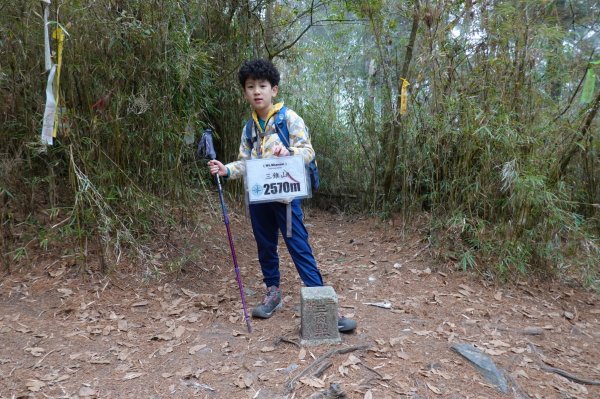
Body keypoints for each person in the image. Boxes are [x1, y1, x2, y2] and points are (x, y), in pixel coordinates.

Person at [207, 59, 357, 333]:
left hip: (286, 199)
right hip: (259, 198)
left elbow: (308, 151)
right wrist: (225, 169)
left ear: (273, 89)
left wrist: (289, 153)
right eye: (250, 87)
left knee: (298, 246)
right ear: (245, 92)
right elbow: (245, 163)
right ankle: (273, 292)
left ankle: (322, 301)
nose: (256, 92)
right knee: (265, 246)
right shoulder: (249, 128)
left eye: (262, 86)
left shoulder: (289, 118)